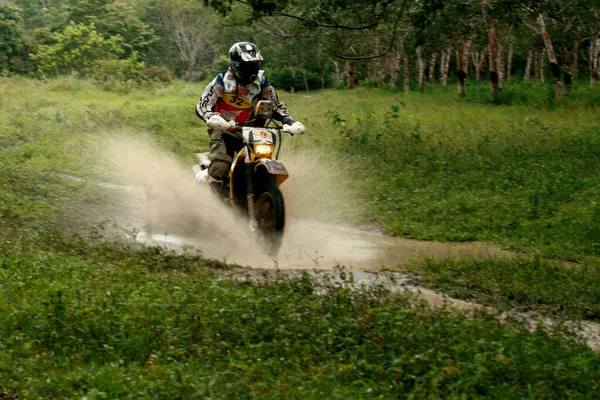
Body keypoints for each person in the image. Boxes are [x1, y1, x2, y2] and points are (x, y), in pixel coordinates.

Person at [195, 42, 305, 196]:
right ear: (236, 65)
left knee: (260, 159)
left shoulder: (262, 82)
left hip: (255, 132)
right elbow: (203, 104)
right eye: (247, 66)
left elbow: (276, 106)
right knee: (221, 165)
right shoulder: (222, 81)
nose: (252, 70)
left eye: (255, 65)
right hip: (225, 130)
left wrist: (290, 122)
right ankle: (213, 204)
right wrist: (211, 117)